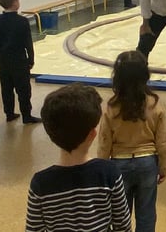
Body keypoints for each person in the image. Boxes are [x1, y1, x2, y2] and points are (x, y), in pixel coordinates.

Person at [27, 83, 132, 232]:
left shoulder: (40, 184)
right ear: (92, 134)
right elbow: (123, 226)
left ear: (51, 135)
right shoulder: (109, 173)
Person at [98, 51, 166, 232]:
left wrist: (102, 170)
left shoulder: (111, 107)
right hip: (147, 163)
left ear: (117, 77)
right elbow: (162, 142)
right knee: (146, 213)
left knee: (120, 215)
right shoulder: (154, 104)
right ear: (146, 75)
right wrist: (163, 167)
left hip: (119, 165)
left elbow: (104, 143)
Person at [0, 0, 40, 124]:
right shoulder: (22, 21)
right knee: (23, 89)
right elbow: (28, 43)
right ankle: (26, 115)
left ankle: (9, 113)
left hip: (4, 61)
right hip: (19, 60)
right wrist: (31, 59)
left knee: (6, 89)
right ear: (14, 2)